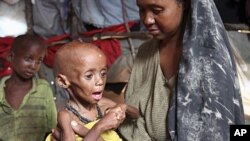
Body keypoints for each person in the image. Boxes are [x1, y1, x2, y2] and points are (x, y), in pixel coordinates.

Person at [58, 0, 245, 141]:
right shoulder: (145, 53)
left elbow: (224, 132)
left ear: (185, 4)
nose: (147, 19)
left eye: (157, 10)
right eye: (141, 9)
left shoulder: (210, 63)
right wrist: (118, 112)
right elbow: (136, 117)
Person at [47, 41, 139, 141]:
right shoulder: (67, 117)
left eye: (103, 74)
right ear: (63, 81)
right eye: (89, 76)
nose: (100, 81)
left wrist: (123, 107)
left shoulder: (104, 104)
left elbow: (136, 115)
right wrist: (100, 126)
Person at [0, 34, 57, 140]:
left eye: (38, 61)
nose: (33, 66)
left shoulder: (43, 89)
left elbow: (52, 128)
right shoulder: (1, 90)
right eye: (28, 59)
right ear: (11, 57)